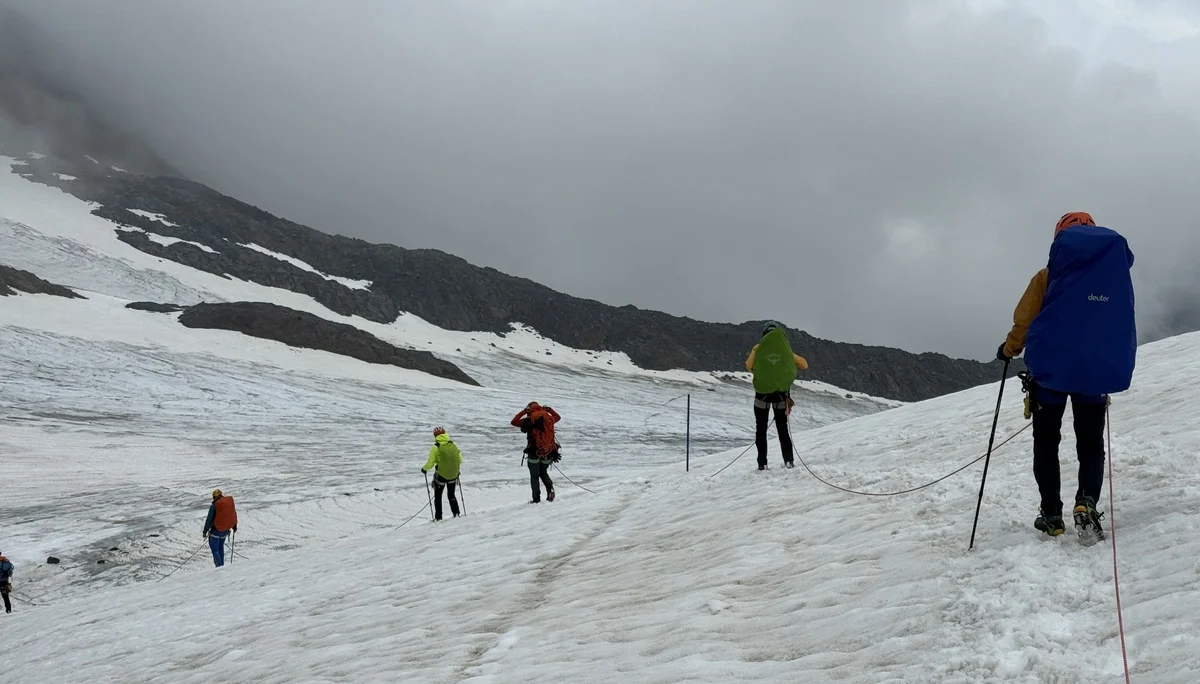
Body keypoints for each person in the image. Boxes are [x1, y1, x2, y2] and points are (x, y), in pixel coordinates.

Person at [998, 211, 1135, 539]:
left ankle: (1051, 516)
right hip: (1094, 373)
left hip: (1051, 372)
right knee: (1090, 444)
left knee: (1046, 443)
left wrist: (1009, 349)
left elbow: (1025, 320)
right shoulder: (1112, 280)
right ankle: (1086, 503)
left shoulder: (1047, 277)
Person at [745, 321, 809, 470]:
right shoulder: (785, 350)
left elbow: (749, 365)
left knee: (761, 430)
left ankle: (762, 464)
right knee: (782, 429)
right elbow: (804, 364)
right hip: (780, 396)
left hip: (761, 396)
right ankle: (788, 461)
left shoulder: (758, 348)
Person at [511, 402, 560, 503]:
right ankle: (550, 490)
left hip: (534, 452)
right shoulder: (549, 420)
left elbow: (514, 422)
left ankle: (536, 499)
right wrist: (549, 410)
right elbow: (558, 417)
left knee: (534, 476)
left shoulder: (528, 420)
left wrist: (524, 411)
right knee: (543, 472)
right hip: (548, 452)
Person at [422, 427, 463, 520]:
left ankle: (438, 518)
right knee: (451, 495)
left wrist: (424, 469)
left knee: (438, 496)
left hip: (441, 475)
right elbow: (460, 460)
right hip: (453, 474)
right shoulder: (453, 444)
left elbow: (430, 463)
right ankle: (456, 513)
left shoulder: (436, 447)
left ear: (435, 436)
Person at [202, 489, 239, 567]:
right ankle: (222, 566)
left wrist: (205, 531)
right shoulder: (227, 504)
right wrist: (234, 526)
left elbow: (209, 520)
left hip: (215, 531)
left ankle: (219, 567)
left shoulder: (214, 506)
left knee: (215, 549)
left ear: (214, 497)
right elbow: (233, 514)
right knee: (220, 547)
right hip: (225, 531)